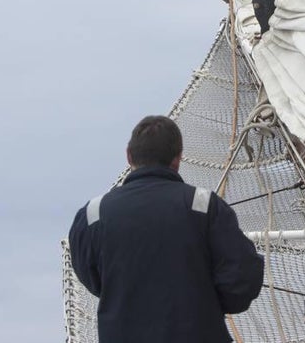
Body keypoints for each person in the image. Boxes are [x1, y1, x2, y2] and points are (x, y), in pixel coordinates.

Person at [68, 115, 264, 343]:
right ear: (177, 158)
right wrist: (207, 305)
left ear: (129, 156)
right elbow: (242, 276)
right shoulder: (204, 206)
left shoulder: (94, 214)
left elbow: (92, 278)